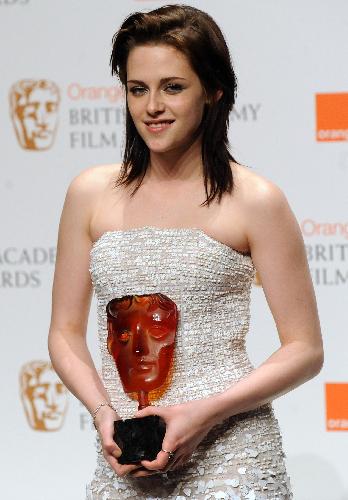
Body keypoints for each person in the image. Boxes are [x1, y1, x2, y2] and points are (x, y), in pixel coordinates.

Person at [48, 4, 323, 499]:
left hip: (231, 456)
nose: (152, 105)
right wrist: (102, 413)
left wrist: (203, 414)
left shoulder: (256, 200)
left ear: (214, 92)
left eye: (173, 87)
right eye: (138, 88)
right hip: (126, 460)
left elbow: (305, 349)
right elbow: (65, 332)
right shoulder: (88, 193)